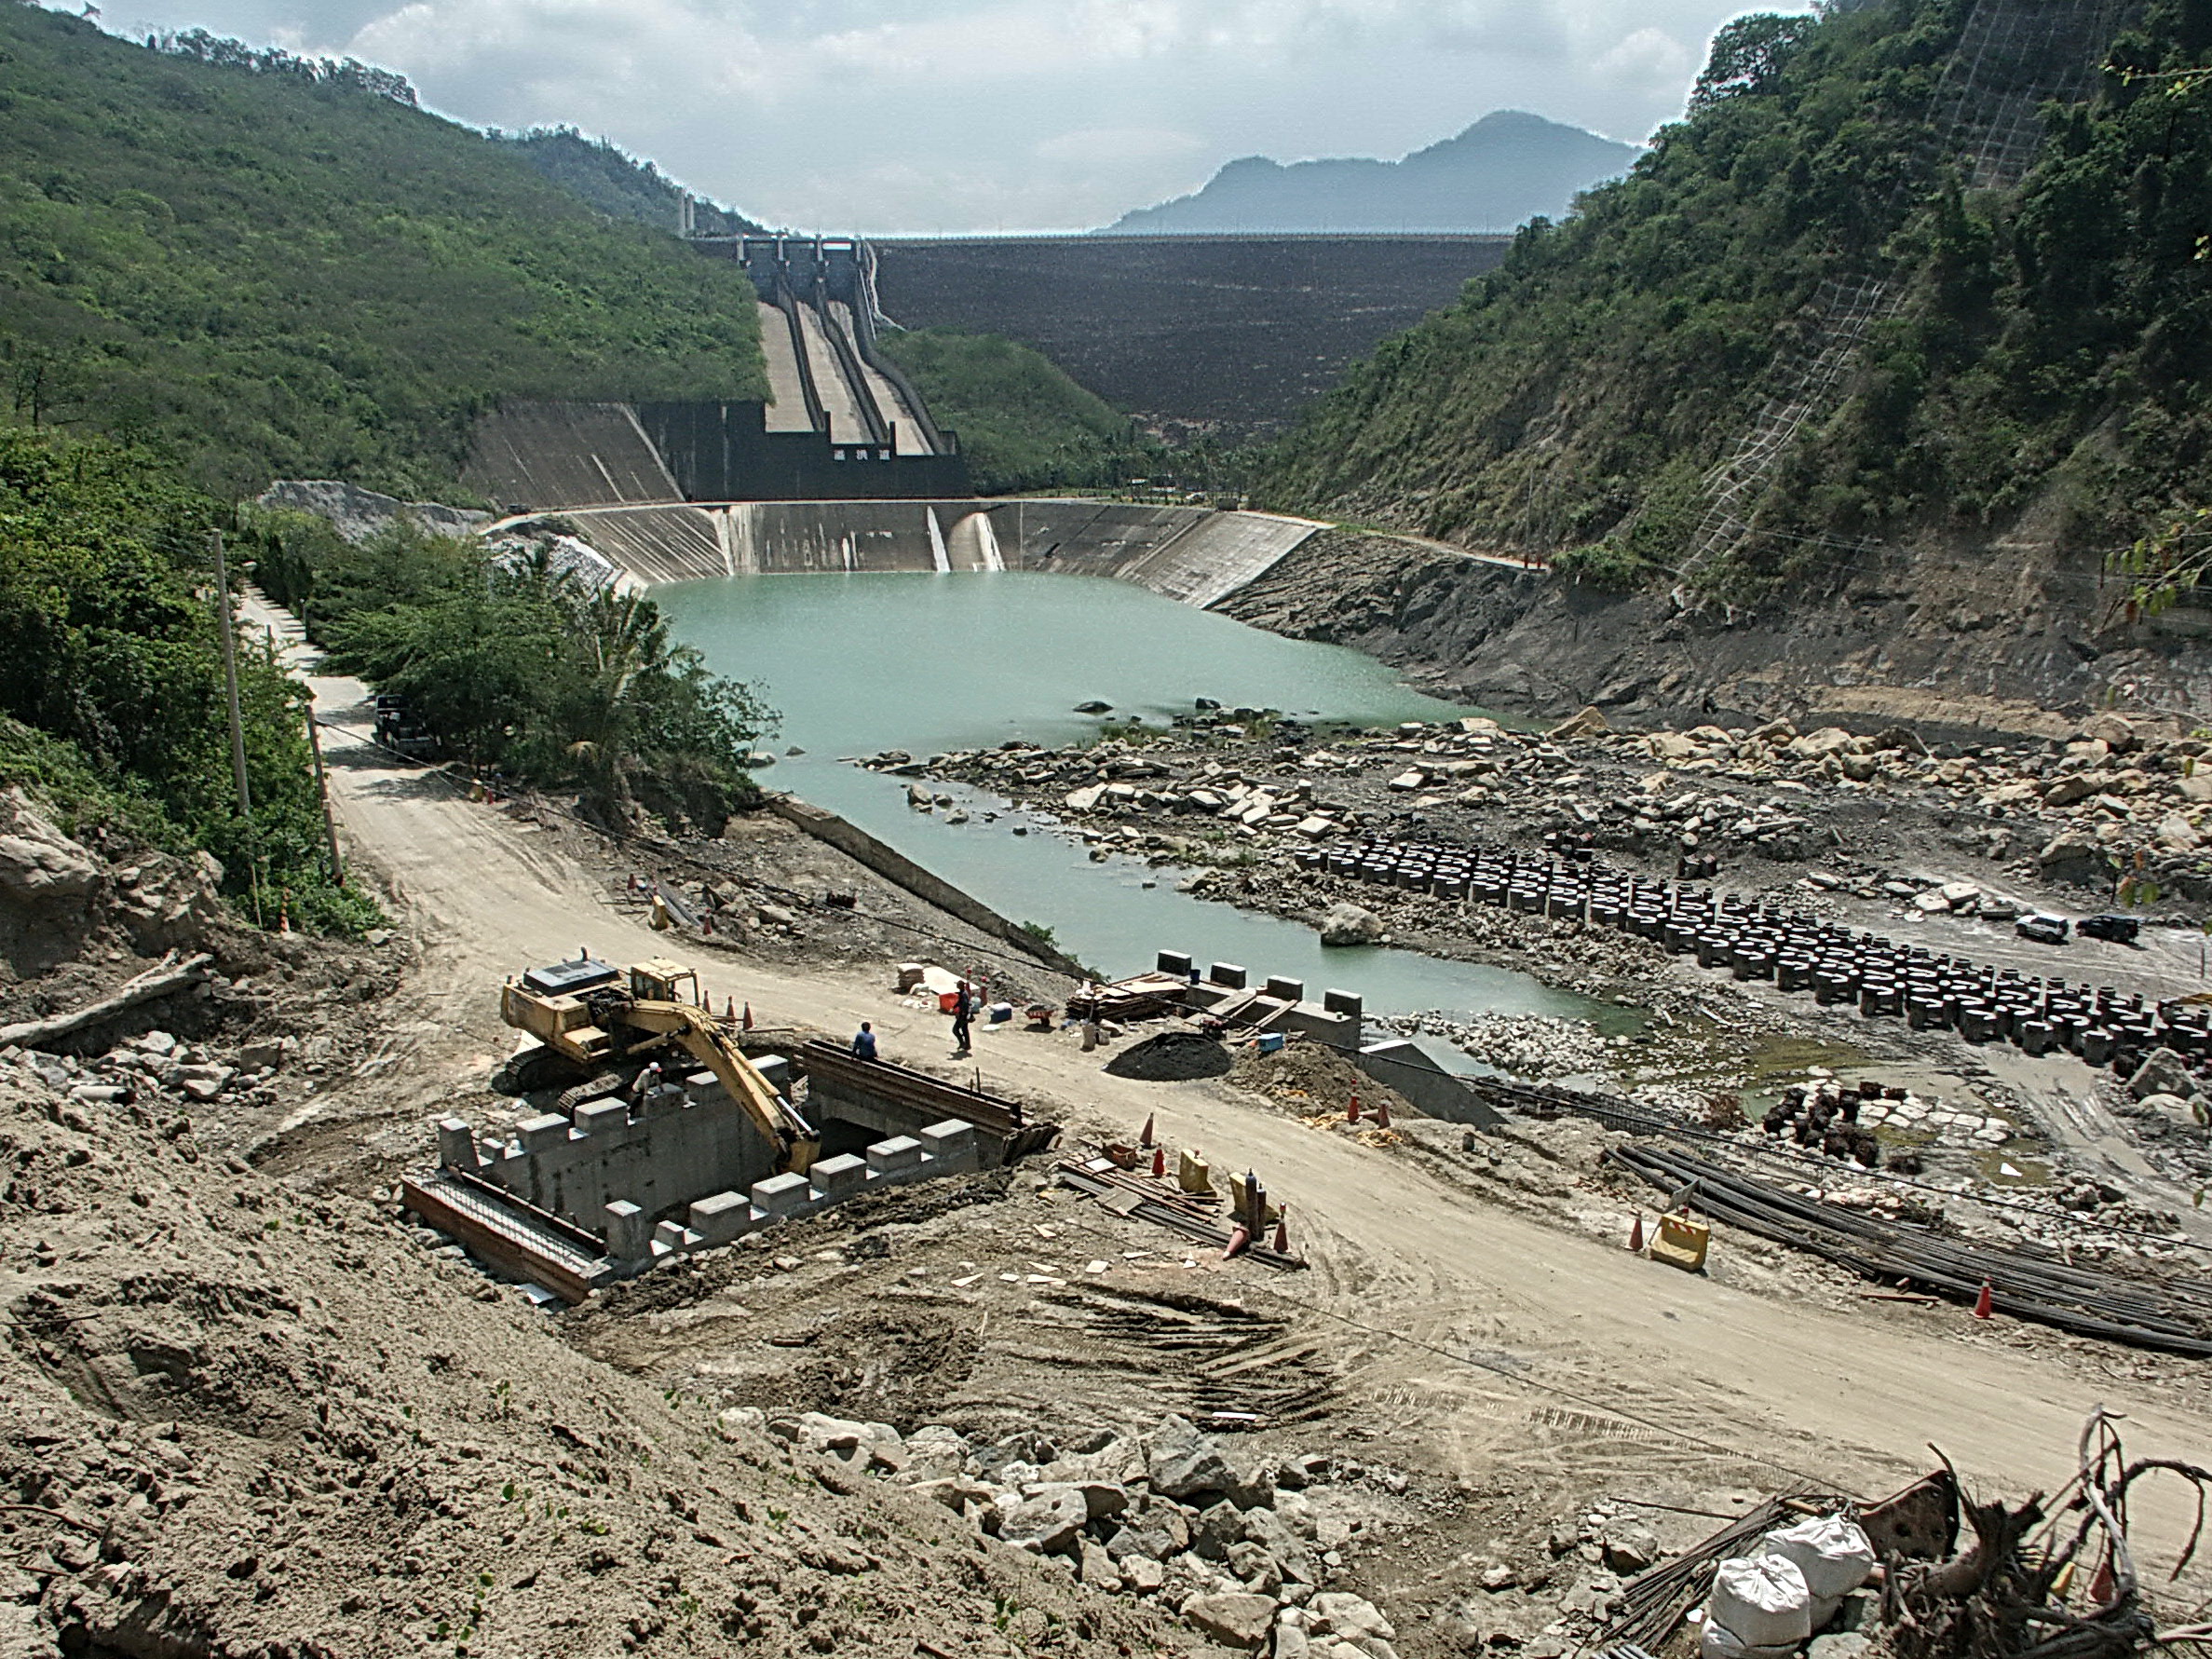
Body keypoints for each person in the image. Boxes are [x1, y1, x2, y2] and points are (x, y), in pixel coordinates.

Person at [951, 983, 973, 1057]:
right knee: (964, 1029)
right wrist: (955, 1006)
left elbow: (965, 1003)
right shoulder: (964, 993)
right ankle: (967, 1045)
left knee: (955, 1029)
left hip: (963, 1015)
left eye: (958, 984)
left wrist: (962, 1013)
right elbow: (961, 1002)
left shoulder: (963, 994)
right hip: (966, 1014)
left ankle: (962, 1043)